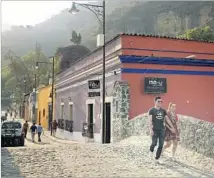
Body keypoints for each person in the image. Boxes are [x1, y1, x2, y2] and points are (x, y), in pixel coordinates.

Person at [148, 96, 175, 164]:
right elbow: (150, 121)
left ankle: (157, 158)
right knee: (154, 143)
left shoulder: (163, 111)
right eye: (158, 101)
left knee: (161, 145)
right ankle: (151, 151)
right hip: (154, 129)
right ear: (155, 102)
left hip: (162, 129)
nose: (160, 102)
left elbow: (167, 119)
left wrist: (172, 127)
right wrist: (151, 130)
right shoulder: (151, 110)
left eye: (161, 101)